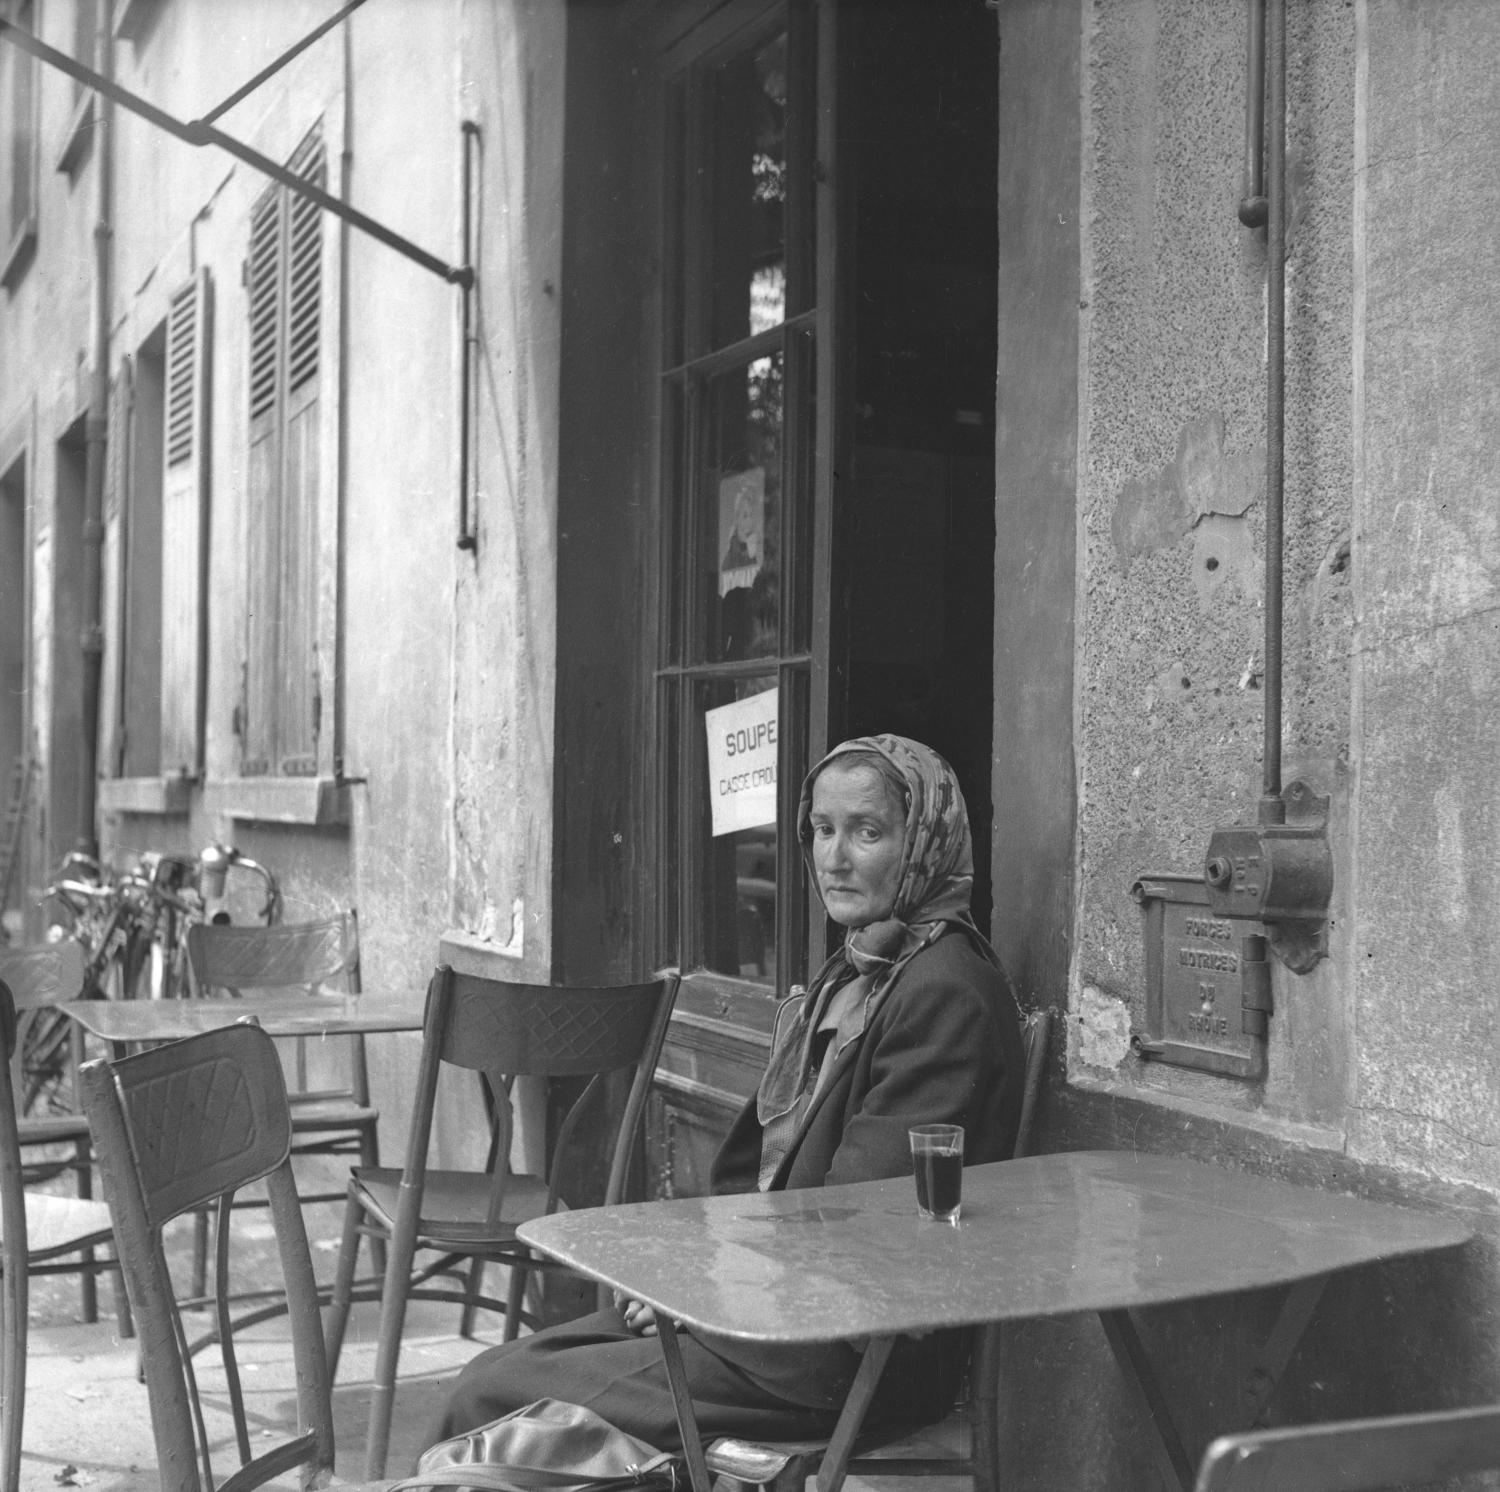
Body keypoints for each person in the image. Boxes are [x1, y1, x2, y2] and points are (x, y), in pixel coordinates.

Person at [427, 734, 1025, 1455]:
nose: (834, 858)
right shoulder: (865, 970)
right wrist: (689, 1286)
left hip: (836, 1353)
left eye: (868, 832)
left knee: (491, 1402)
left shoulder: (944, 993)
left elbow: (863, 1226)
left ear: (926, 839)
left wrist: (701, 1300)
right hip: (774, 1321)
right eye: (822, 830)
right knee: (494, 1371)